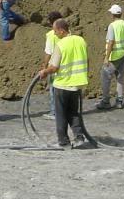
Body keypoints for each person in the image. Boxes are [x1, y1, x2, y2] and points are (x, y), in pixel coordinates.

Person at [38, 18, 94, 149]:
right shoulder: (81, 41)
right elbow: (87, 60)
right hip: (77, 84)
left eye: (55, 31)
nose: (54, 33)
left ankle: (64, 141)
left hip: (62, 84)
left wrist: (44, 72)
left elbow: (55, 68)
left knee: (61, 114)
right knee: (73, 112)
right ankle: (79, 136)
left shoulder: (61, 45)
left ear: (62, 30)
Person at [96, 4, 124, 110]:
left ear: (112, 14)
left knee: (105, 75)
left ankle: (106, 101)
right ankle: (119, 101)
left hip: (114, 56)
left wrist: (107, 57)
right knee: (120, 78)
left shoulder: (112, 26)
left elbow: (111, 42)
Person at [41, 10, 63, 119]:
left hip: (53, 67)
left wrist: (44, 68)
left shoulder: (50, 35)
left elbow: (48, 53)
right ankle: (63, 111)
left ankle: (54, 112)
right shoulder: (68, 33)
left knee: (53, 90)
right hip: (65, 65)